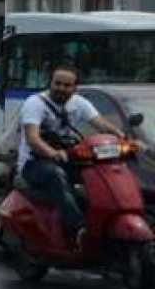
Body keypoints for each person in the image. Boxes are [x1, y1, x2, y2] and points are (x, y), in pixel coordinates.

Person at [18, 64, 125, 248]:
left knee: (99, 175)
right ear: (50, 83)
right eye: (57, 83)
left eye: (67, 85)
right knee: (56, 175)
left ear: (75, 88)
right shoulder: (34, 103)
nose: (61, 88)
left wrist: (123, 138)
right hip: (34, 163)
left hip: (68, 158)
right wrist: (52, 153)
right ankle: (78, 229)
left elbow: (101, 124)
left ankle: (103, 225)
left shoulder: (79, 103)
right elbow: (32, 138)